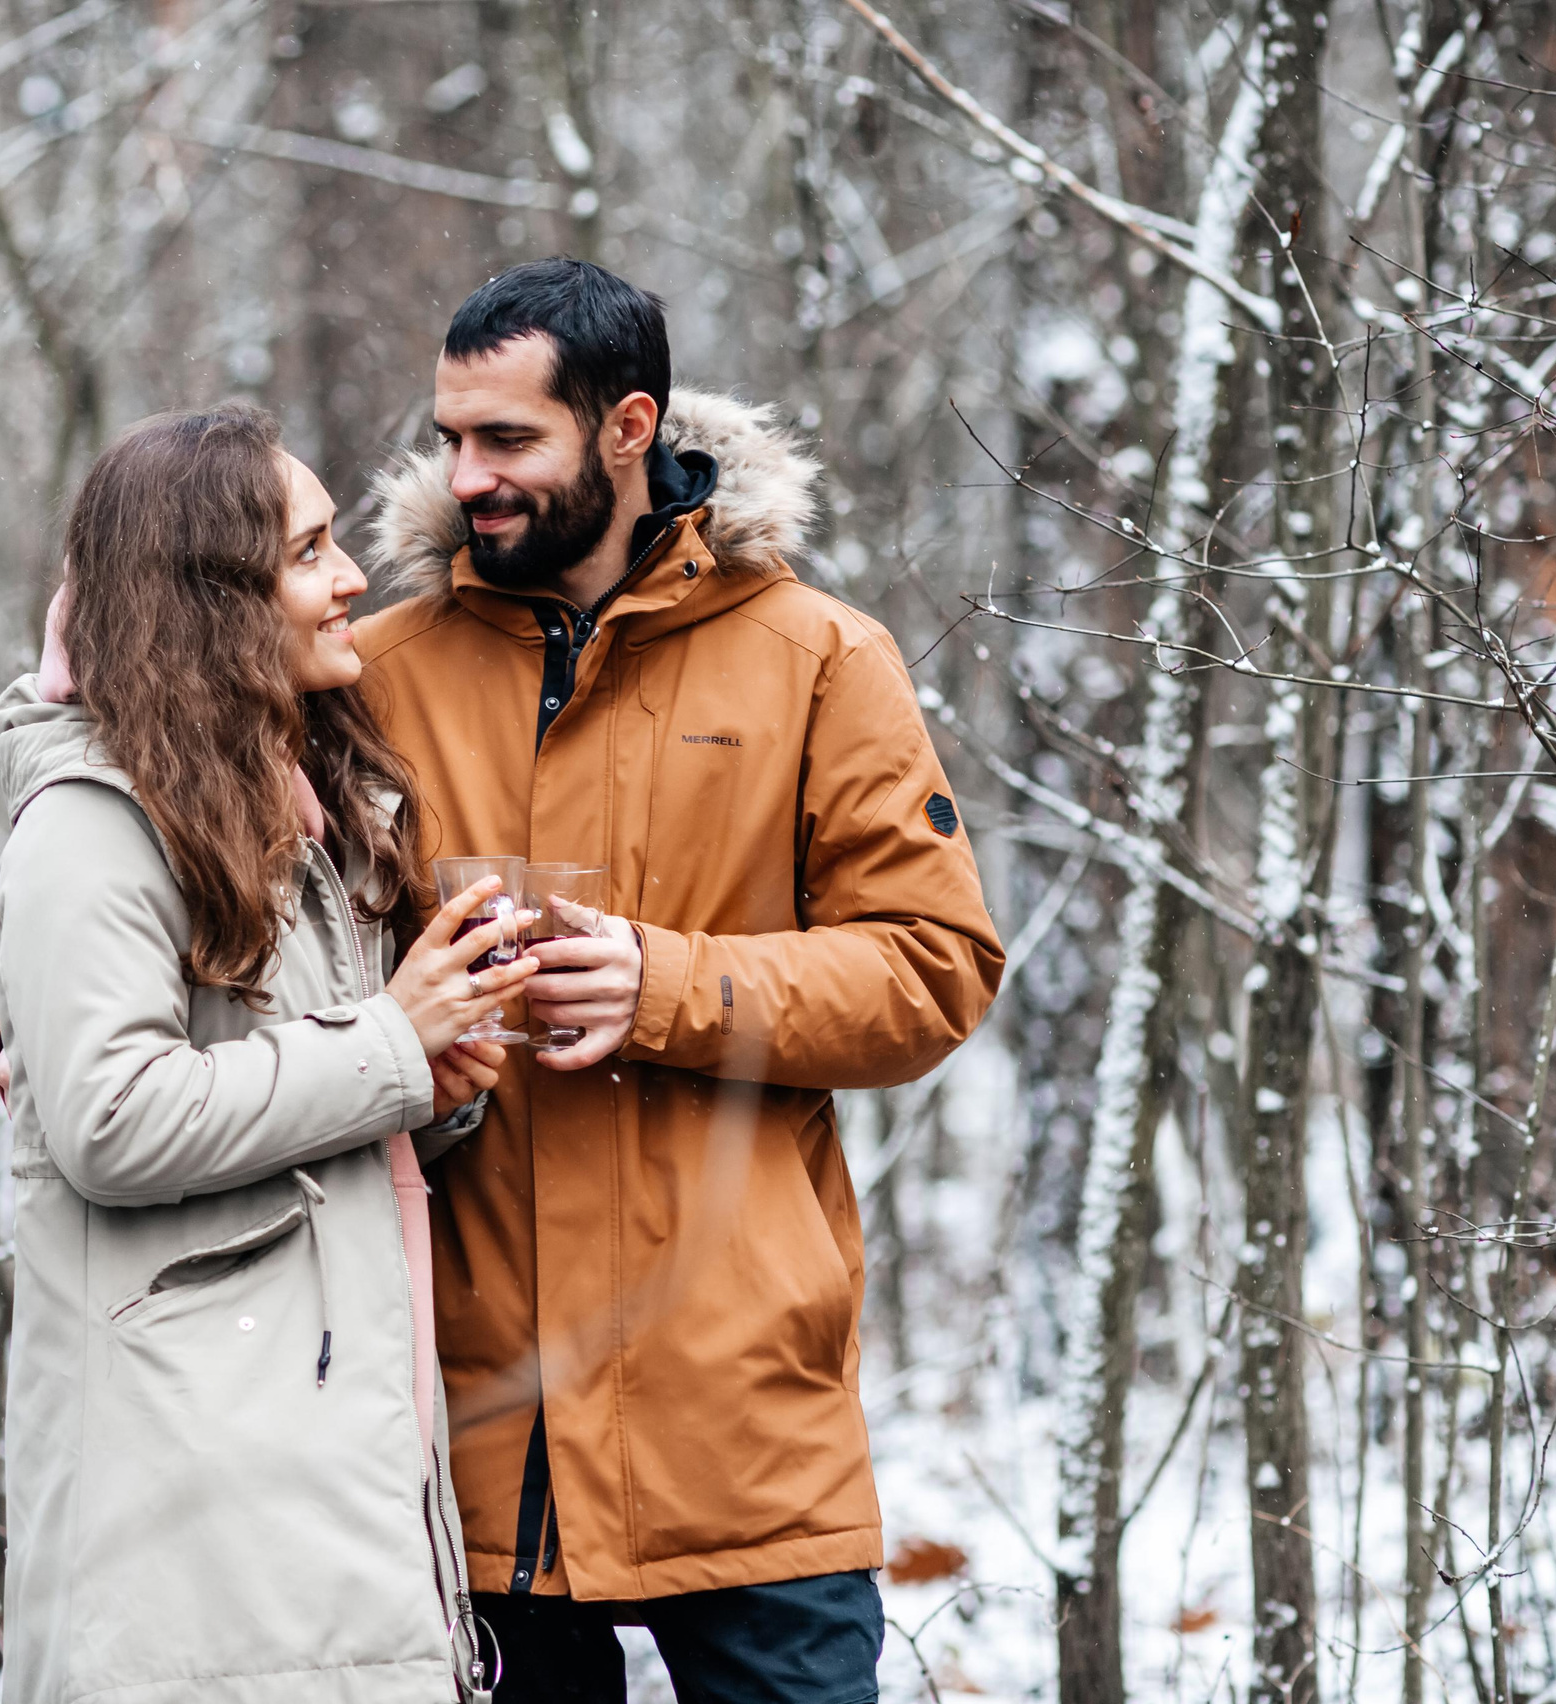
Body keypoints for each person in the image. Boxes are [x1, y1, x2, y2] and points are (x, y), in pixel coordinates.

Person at [353, 258, 1005, 1702]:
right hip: (464, 1430)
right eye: (452, 437)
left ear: (630, 426)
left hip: (741, 1422)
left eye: (508, 439)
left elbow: (934, 969)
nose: (467, 477)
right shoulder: (378, 675)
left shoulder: (820, 659)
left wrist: (663, 984)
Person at [0, 403, 534, 1703]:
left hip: (312, 1469)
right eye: (310, 552)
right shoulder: (90, 829)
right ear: (210, 602)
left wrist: (430, 1085)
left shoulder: (303, 809)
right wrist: (394, 1041)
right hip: (195, 1499)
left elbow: (306, 1090)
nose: (352, 580)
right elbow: (112, 1122)